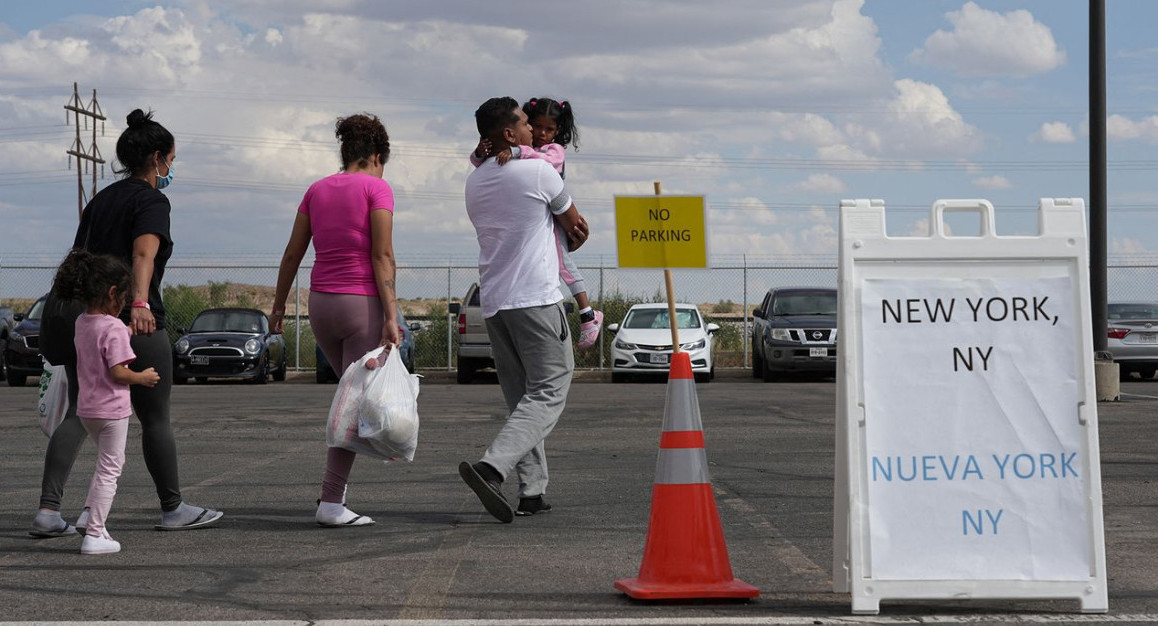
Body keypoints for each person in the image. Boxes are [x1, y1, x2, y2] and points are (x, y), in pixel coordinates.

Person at [30, 109, 223, 538]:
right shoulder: (152, 200)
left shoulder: (101, 200)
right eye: (171, 159)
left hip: (81, 316)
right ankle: (172, 507)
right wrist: (139, 303)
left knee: (81, 412)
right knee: (155, 417)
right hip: (129, 318)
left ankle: (48, 510)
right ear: (157, 158)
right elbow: (142, 255)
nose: (171, 168)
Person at [458, 97, 589, 523]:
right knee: (551, 388)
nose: (534, 128)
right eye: (524, 123)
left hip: (495, 303)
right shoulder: (538, 171)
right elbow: (576, 226)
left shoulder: (473, 183)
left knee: (522, 400)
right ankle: (492, 466)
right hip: (536, 298)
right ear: (510, 134)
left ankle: (532, 490)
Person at [270, 112, 400, 528]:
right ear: (377, 156)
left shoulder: (317, 189)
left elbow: (292, 254)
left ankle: (335, 496)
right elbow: (382, 255)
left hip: (321, 305)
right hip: (360, 302)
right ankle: (331, 501)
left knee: (351, 396)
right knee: (353, 404)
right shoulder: (377, 188)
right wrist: (391, 314)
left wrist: (276, 308)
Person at [50, 250, 161, 554]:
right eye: (124, 298)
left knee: (103, 465)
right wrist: (143, 378)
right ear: (113, 293)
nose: (124, 304)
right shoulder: (112, 327)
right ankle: (95, 534)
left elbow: (102, 344)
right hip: (112, 411)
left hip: (88, 409)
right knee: (111, 469)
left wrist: (124, 330)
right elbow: (118, 371)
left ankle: (89, 516)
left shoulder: (84, 322)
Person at [471, 97, 603, 348]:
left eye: (549, 129)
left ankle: (587, 313)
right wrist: (482, 151)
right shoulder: (504, 163)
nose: (540, 132)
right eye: (534, 125)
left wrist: (516, 151)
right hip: (539, 218)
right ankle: (587, 314)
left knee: (564, 263)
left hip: (551, 215)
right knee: (562, 261)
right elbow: (482, 164)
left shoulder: (552, 153)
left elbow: (541, 165)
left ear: (558, 131)